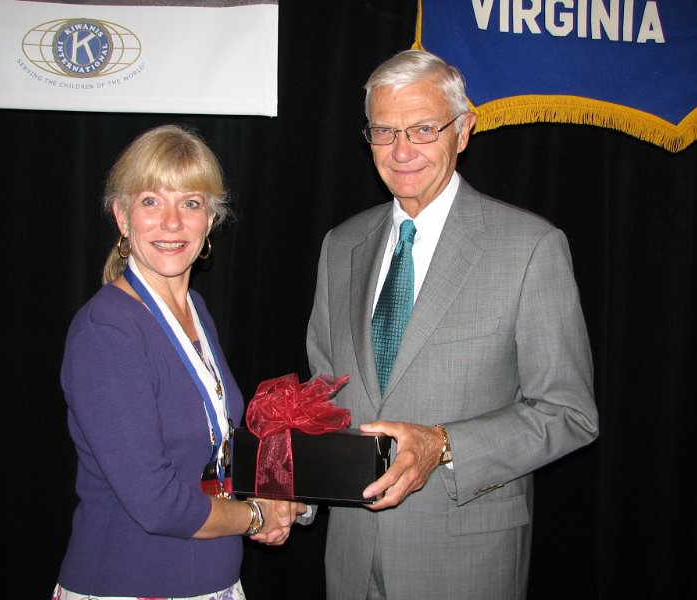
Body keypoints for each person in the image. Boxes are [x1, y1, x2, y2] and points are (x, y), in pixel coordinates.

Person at [306, 50, 599, 599]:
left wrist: (443, 444)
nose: (401, 151)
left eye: (422, 128)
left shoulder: (530, 247)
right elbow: (328, 402)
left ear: (463, 131)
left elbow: (569, 414)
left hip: (465, 563)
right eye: (384, 131)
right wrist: (290, 490)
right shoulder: (341, 246)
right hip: (349, 558)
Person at [54, 124, 306, 600]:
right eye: (151, 201)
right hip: (131, 585)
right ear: (122, 217)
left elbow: (212, 453)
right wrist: (256, 515)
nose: (172, 222)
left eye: (190, 203)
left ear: (209, 220)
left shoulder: (195, 312)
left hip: (210, 583)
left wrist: (281, 494)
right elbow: (158, 503)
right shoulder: (106, 332)